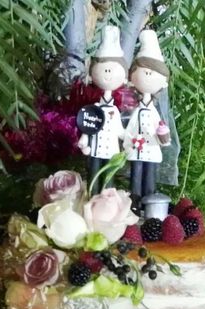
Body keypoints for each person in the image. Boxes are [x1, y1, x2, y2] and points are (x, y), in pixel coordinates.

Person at [78, 25, 127, 195]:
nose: (107, 71)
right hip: (95, 149)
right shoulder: (93, 108)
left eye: (112, 68)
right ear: (92, 74)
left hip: (112, 150)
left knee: (108, 178)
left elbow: (120, 131)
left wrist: (130, 140)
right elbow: (88, 126)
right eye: (103, 67)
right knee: (93, 175)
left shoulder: (115, 110)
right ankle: (92, 199)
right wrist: (84, 141)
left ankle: (107, 203)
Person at [124, 30, 171, 200]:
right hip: (137, 149)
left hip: (151, 148)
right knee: (135, 174)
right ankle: (135, 201)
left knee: (150, 175)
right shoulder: (137, 110)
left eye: (152, 71)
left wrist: (163, 136)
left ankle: (149, 201)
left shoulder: (153, 112)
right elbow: (130, 128)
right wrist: (129, 142)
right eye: (145, 71)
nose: (148, 75)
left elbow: (161, 130)